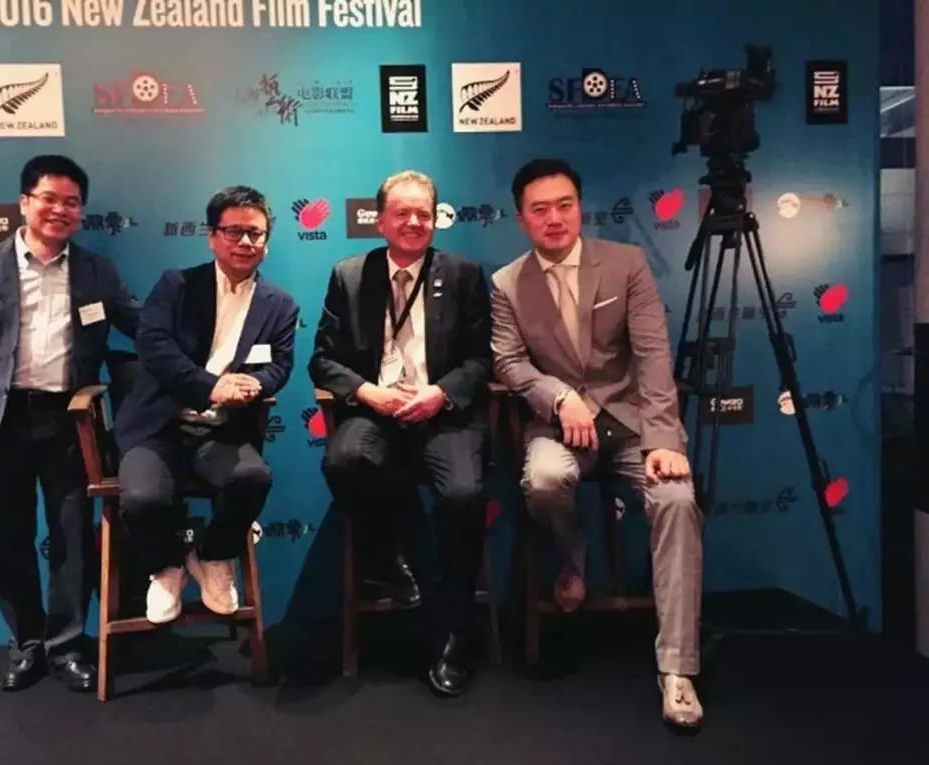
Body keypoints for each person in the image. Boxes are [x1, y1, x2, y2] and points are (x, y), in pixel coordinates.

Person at [490, 158, 704, 728]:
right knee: (543, 480)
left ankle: (678, 669)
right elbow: (508, 362)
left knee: (678, 500)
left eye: (565, 205)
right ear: (521, 219)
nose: (554, 218)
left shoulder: (626, 263)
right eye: (540, 209)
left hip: (633, 425)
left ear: (580, 208)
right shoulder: (507, 283)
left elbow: (653, 354)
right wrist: (559, 396)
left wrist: (664, 438)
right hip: (559, 426)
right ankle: (573, 553)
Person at [0, 155, 140, 692]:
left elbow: (141, 327)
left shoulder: (97, 271)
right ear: (24, 203)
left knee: (72, 539)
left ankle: (67, 646)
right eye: (49, 198)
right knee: (6, 541)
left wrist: (197, 361)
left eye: (72, 202)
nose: (60, 210)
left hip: (70, 423)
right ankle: (26, 643)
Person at [309, 170, 492, 697]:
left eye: (423, 214)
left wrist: (440, 393)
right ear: (381, 221)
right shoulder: (350, 275)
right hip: (378, 410)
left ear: (435, 220)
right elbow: (322, 360)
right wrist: (367, 392)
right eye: (402, 213)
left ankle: (454, 635)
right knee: (345, 460)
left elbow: (482, 359)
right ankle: (391, 556)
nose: (414, 222)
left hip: (442, 413)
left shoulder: (463, 274)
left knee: (464, 495)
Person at [115, 186, 298, 625]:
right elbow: (153, 346)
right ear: (212, 237)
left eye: (255, 233)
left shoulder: (280, 305)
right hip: (159, 426)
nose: (245, 242)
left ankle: (213, 556)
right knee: (142, 499)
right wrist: (211, 387)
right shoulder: (176, 286)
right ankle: (166, 567)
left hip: (223, 431)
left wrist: (254, 385)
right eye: (233, 232)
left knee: (252, 479)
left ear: (267, 240)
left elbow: (280, 365)